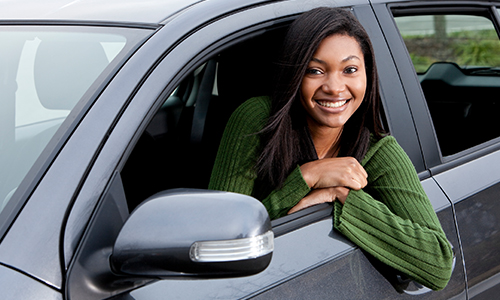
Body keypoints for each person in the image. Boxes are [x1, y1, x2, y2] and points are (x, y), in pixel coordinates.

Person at [208, 7, 453, 291]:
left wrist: (341, 196)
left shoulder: (377, 150)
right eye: (315, 70)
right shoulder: (258, 120)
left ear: (367, 75)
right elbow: (221, 241)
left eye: (350, 70)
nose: (335, 88)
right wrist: (307, 177)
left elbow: (438, 264)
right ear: (295, 74)